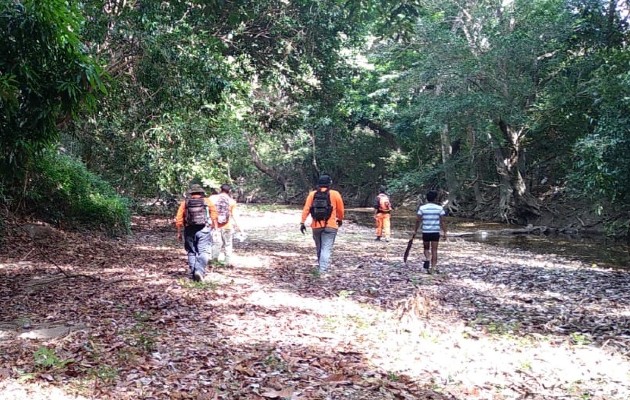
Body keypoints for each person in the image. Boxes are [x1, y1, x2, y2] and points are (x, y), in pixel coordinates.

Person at [300, 174, 345, 274]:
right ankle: (322, 270)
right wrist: (340, 219)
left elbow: (306, 209)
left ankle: (321, 267)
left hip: (316, 225)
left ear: (319, 184)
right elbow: (341, 210)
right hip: (331, 225)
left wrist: (302, 222)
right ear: (329, 183)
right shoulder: (335, 194)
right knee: (326, 248)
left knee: (319, 247)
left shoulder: (312, 194)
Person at [174, 184, 213, 281]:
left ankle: (193, 273)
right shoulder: (207, 201)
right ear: (201, 192)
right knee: (203, 251)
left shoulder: (185, 203)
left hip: (189, 229)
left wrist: (179, 232)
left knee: (191, 251)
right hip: (204, 228)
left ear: (191, 193)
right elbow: (215, 215)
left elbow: (179, 218)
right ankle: (199, 271)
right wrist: (213, 227)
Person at [411, 190, 447, 274]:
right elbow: (443, 221)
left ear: (427, 199)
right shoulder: (439, 208)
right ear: (435, 199)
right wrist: (445, 232)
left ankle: (427, 258)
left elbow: (418, 220)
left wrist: (415, 231)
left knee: (426, 248)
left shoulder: (422, 208)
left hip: (426, 232)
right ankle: (433, 268)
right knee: (434, 250)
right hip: (435, 232)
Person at [209, 183, 242, 268]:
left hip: (215, 225)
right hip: (227, 226)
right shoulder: (232, 201)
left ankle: (214, 260)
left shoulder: (212, 198)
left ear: (220, 189)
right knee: (228, 244)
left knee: (216, 243)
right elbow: (235, 215)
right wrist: (240, 228)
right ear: (229, 191)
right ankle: (227, 262)